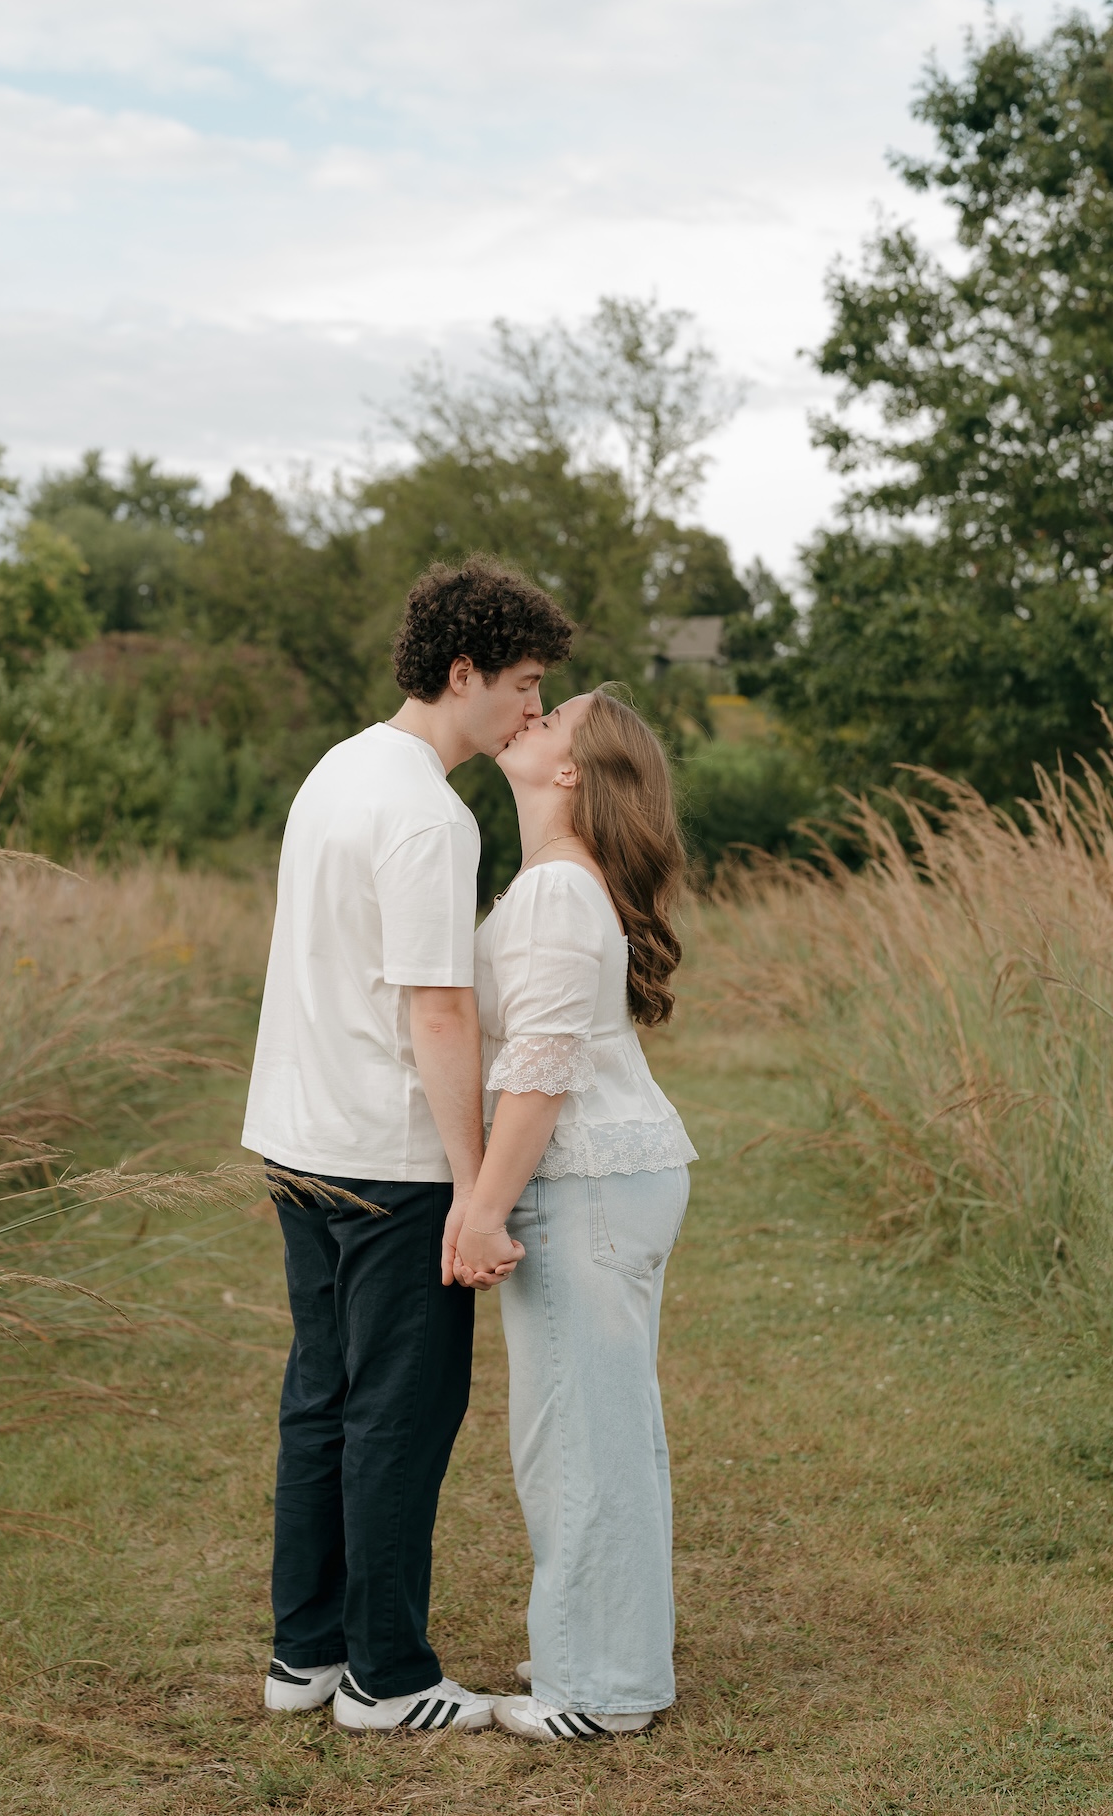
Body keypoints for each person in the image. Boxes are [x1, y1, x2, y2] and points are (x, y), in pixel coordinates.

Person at [243, 555, 572, 1736]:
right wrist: (475, 1183)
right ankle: (386, 1677)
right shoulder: (429, 814)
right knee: (397, 1413)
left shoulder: (339, 768)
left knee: (320, 1399)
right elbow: (438, 1009)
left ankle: (305, 1656)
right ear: (463, 670)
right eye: (525, 686)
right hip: (384, 1156)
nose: (535, 712)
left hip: (294, 1137)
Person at [455, 685, 696, 1741]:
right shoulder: (558, 882)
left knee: (579, 1439)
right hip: (611, 1178)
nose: (529, 715)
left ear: (570, 773)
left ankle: (596, 1689)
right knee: (599, 1427)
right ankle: (605, 1649)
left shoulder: (558, 891)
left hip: (585, 1183)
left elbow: (540, 1069)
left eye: (552, 719)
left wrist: (480, 1210)